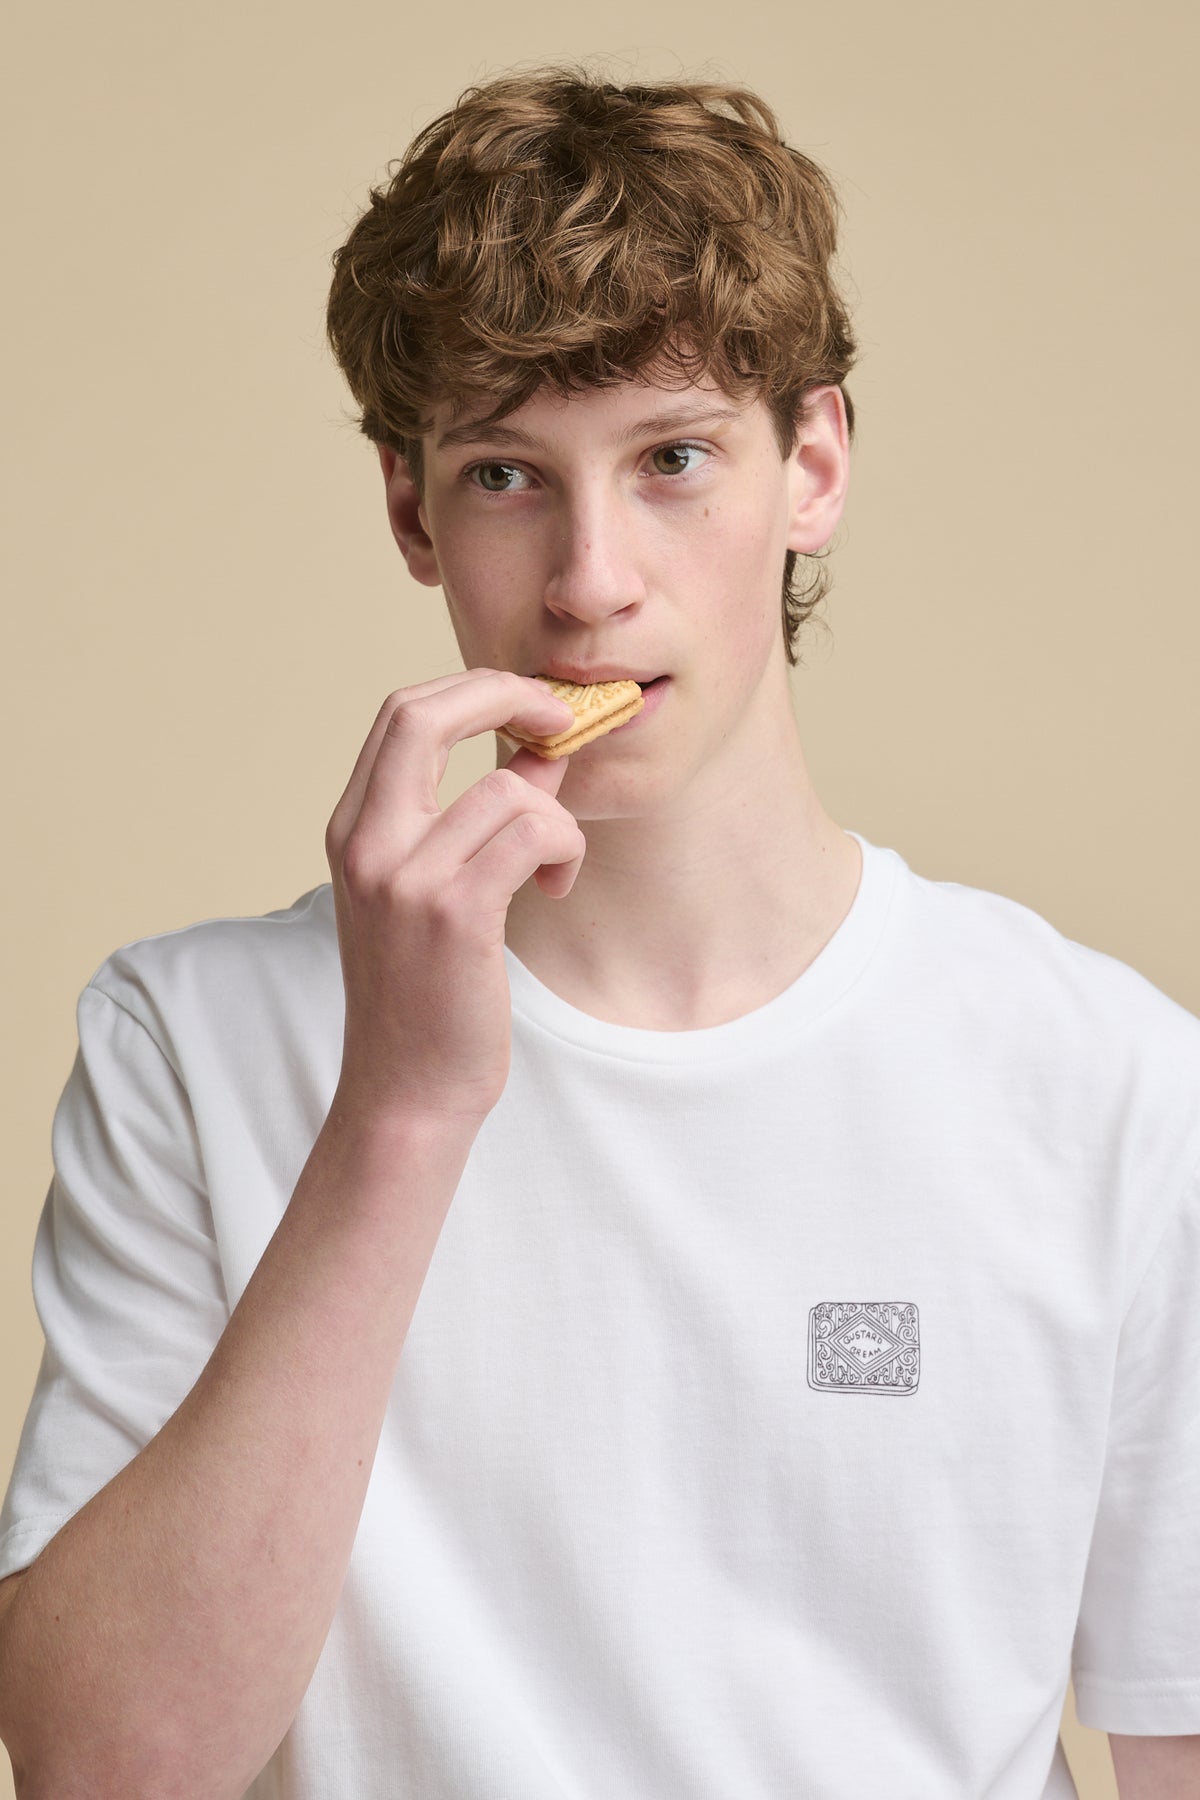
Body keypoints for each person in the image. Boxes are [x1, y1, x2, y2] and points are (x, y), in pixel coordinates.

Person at [0, 64, 1197, 1800]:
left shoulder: (1111, 1086)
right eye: (505, 475)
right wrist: (401, 1111)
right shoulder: (190, 1044)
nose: (588, 581)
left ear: (818, 466)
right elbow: (103, 1767)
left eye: (675, 459)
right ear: (413, 511)